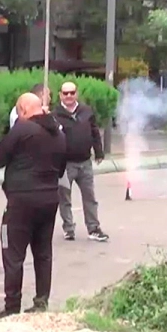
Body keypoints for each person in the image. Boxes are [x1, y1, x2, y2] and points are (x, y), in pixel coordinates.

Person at [0, 93, 67, 320]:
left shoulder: (22, 130)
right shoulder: (59, 134)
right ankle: (41, 301)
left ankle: (12, 306)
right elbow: (61, 170)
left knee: (12, 252)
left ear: (22, 111)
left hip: (21, 200)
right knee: (43, 252)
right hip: (49, 199)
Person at [53, 81, 109, 242]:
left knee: (90, 196)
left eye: (72, 92)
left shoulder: (86, 111)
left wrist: (99, 152)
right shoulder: (55, 115)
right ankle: (68, 228)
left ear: (77, 93)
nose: (69, 96)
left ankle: (93, 228)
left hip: (85, 162)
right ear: (60, 95)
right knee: (64, 198)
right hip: (65, 165)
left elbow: (94, 132)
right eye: (65, 93)